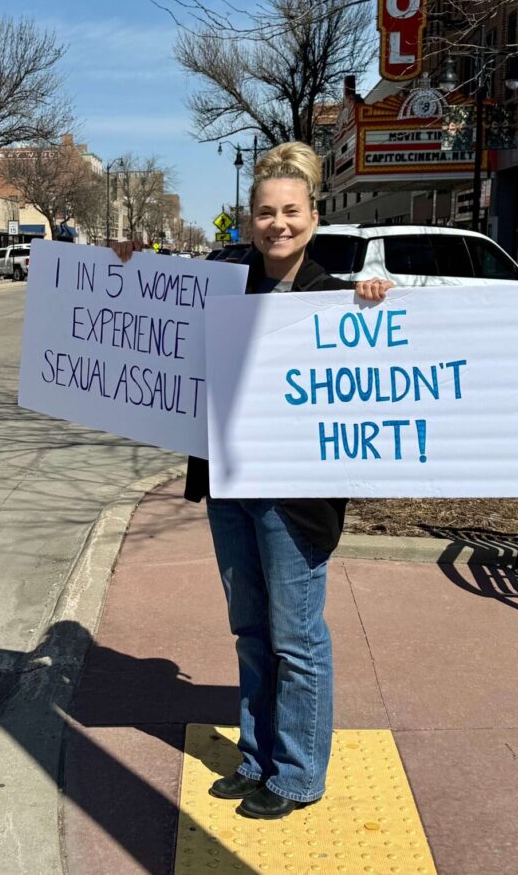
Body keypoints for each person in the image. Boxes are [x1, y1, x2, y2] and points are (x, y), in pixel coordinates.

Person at [115, 143, 392, 820]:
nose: (278, 224)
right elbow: (158, 310)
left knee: (295, 636)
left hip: (294, 501)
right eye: (265, 212)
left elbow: (375, 369)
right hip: (231, 484)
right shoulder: (224, 284)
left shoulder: (335, 297)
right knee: (249, 630)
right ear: (250, 220)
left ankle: (297, 774)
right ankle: (258, 758)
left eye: (290, 212)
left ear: (314, 216)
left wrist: (374, 304)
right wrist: (120, 272)